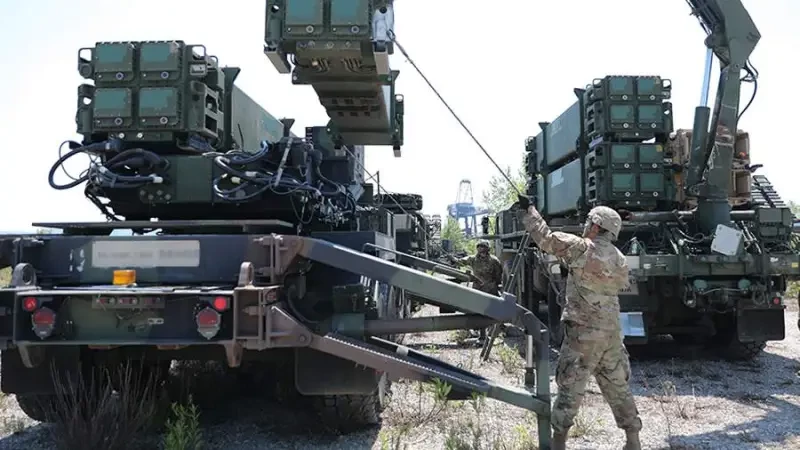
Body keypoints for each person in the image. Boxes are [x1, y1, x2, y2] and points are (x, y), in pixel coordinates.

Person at [517, 196, 642, 450]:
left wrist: (529, 210)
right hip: (611, 334)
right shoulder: (619, 258)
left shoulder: (581, 247)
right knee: (618, 387)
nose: (585, 226)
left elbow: (545, 239)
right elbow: (616, 281)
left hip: (583, 334)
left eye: (588, 222)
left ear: (595, 226)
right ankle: (633, 439)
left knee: (570, 386)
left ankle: (558, 442)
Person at [450, 239, 504, 341]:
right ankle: (480, 332)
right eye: (479, 247)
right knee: (478, 311)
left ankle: (497, 329)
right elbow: (461, 262)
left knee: (494, 311)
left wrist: (496, 285)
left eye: (483, 247)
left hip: (490, 290)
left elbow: (498, 275)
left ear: (487, 249)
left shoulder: (494, 261)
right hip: (478, 290)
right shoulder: (473, 259)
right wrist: (453, 259)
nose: (481, 249)